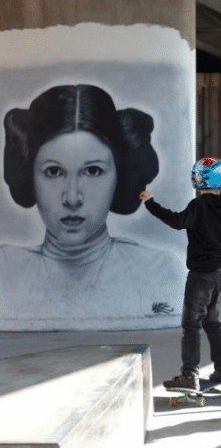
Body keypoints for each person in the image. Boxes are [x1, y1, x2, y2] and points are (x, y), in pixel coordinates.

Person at [0, 84, 185, 330]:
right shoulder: (5, 269)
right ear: (29, 176)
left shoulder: (160, 271)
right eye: (53, 172)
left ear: (119, 176)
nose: (72, 198)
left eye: (93, 171)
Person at [139, 157, 221, 391]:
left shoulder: (199, 206)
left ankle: (189, 375)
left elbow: (178, 221)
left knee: (191, 324)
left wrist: (152, 204)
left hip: (202, 273)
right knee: (212, 321)